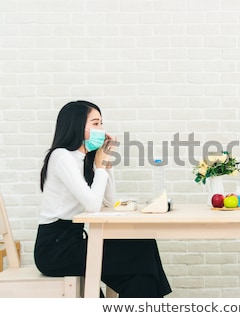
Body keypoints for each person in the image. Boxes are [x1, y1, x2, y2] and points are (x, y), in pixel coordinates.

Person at [34, 100, 171, 298]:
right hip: (55, 249)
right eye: (95, 123)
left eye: (101, 123)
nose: (101, 129)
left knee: (142, 256)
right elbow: (92, 205)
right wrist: (100, 167)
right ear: (76, 125)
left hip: (74, 241)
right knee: (141, 254)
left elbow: (108, 201)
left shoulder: (85, 159)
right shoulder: (61, 156)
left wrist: (106, 164)